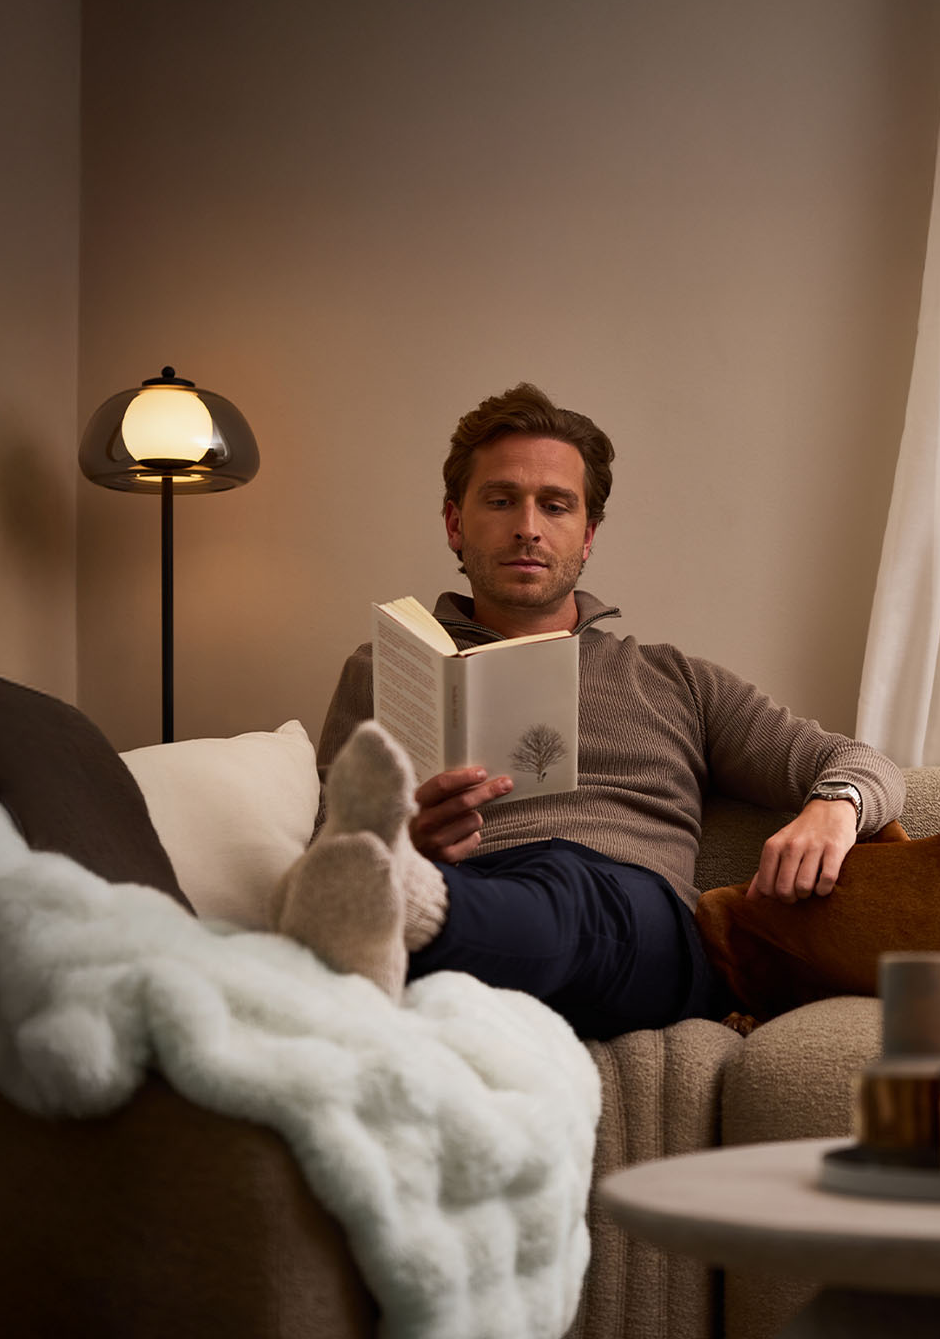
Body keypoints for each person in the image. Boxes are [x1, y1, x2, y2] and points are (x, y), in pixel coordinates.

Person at [295, 383, 903, 1040]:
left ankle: (418, 924)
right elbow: (333, 845)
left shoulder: (673, 679)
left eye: (555, 506)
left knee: (571, 883)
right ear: (454, 523)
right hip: (470, 890)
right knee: (512, 892)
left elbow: (864, 762)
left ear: (586, 536)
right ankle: (429, 920)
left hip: (638, 925)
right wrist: (405, 845)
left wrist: (836, 808)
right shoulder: (385, 668)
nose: (528, 526)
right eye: (501, 501)